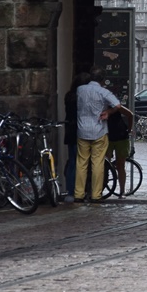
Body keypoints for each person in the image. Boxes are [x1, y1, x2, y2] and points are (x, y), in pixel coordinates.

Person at [74, 67, 130, 203]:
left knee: (81, 163)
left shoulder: (80, 90)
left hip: (82, 129)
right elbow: (117, 105)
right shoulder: (103, 91)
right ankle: (96, 194)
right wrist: (108, 112)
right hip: (99, 130)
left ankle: (79, 194)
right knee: (97, 163)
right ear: (103, 80)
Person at [62, 70, 90, 203]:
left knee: (72, 162)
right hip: (82, 130)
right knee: (83, 162)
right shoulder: (83, 97)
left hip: (70, 130)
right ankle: (82, 191)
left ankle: (70, 191)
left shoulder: (69, 96)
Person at [106, 98, 135, 199]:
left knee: (118, 165)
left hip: (118, 137)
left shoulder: (114, 106)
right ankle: (120, 191)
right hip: (114, 137)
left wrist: (129, 129)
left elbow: (130, 114)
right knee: (111, 165)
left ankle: (122, 191)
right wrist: (129, 130)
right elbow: (130, 115)